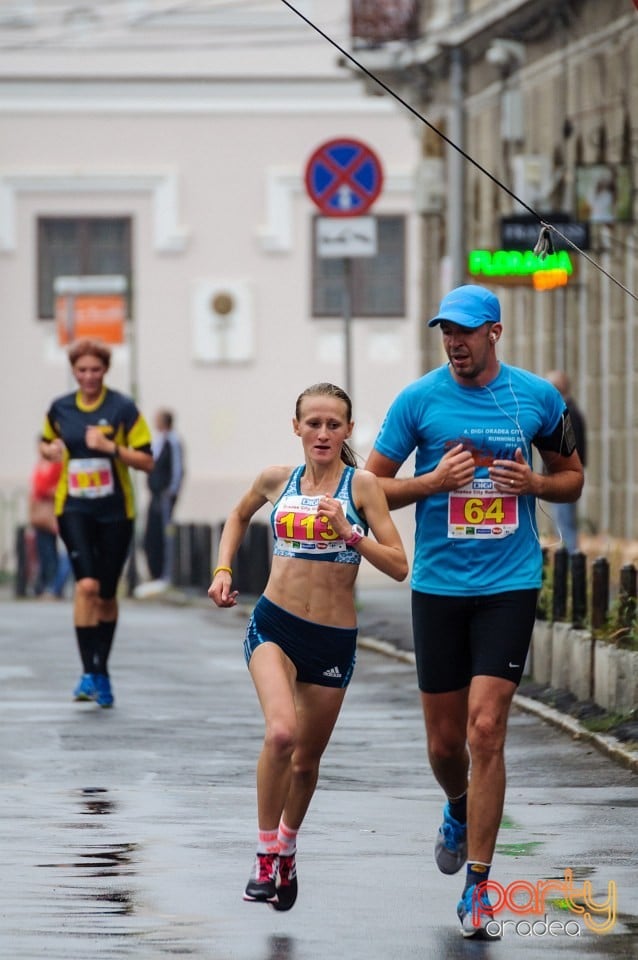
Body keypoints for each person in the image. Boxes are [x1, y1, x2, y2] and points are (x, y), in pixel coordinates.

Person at [364, 285, 584, 939]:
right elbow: (369, 488)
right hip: (439, 588)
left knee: (486, 731)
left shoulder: (539, 398)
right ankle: (457, 805)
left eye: (464, 331)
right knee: (443, 743)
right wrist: (432, 483)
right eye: (445, 333)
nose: (454, 343)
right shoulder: (418, 401)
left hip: (509, 583)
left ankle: (480, 887)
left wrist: (535, 485)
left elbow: (572, 475)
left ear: (495, 331)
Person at [208, 382, 408, 911]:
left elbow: (399, 565)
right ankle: (264, 853)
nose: (322, 433)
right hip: (274, 625)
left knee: (305, 762)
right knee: (280, 734)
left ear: (347, 431)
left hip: (332, 640)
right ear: (296, 427)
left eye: (333, 424)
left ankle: (289, 846)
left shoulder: (362, 487)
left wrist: (350, 533)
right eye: (313, 423)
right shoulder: (277, 479)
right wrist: (223, 569)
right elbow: (236, 516)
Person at [39, 337, 154, 707]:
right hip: (73, 507)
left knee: (105, 593)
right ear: (73, 371)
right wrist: (51, 450)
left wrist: (112, 450)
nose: (88, 376)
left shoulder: (122, 408)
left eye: (95, 369)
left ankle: (100, 671)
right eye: (82, 370)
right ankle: (89, 671)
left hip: (115, 511)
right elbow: (45, 442)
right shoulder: (60, 408)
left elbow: (147, 460)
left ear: (105, 370)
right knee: (86, 585)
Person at [135, 409, 185, 598]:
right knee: (150, 535)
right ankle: (154, 572)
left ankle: (165, 574)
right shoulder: (158, 441)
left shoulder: (172, 441)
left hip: (164, 497)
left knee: (164, 535)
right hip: (154, 495)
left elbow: (177, 469)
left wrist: (170, 492)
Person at [546, 370, 587, 555]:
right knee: (565, 523)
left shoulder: (565, 413)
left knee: (565, 525)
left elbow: (569, 449)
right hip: (565, 476)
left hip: (562, 477)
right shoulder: (572, 410)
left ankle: (572, 567)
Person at [28, 450, 71, 598]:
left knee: (58, 554)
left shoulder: (59, 465)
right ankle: (47, 586)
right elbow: (37, 488)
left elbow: (56, 488)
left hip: (55, 515)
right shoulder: (41, 465)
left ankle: (54, 587)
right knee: (44, 553)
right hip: (42, 518)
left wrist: (47, 491)